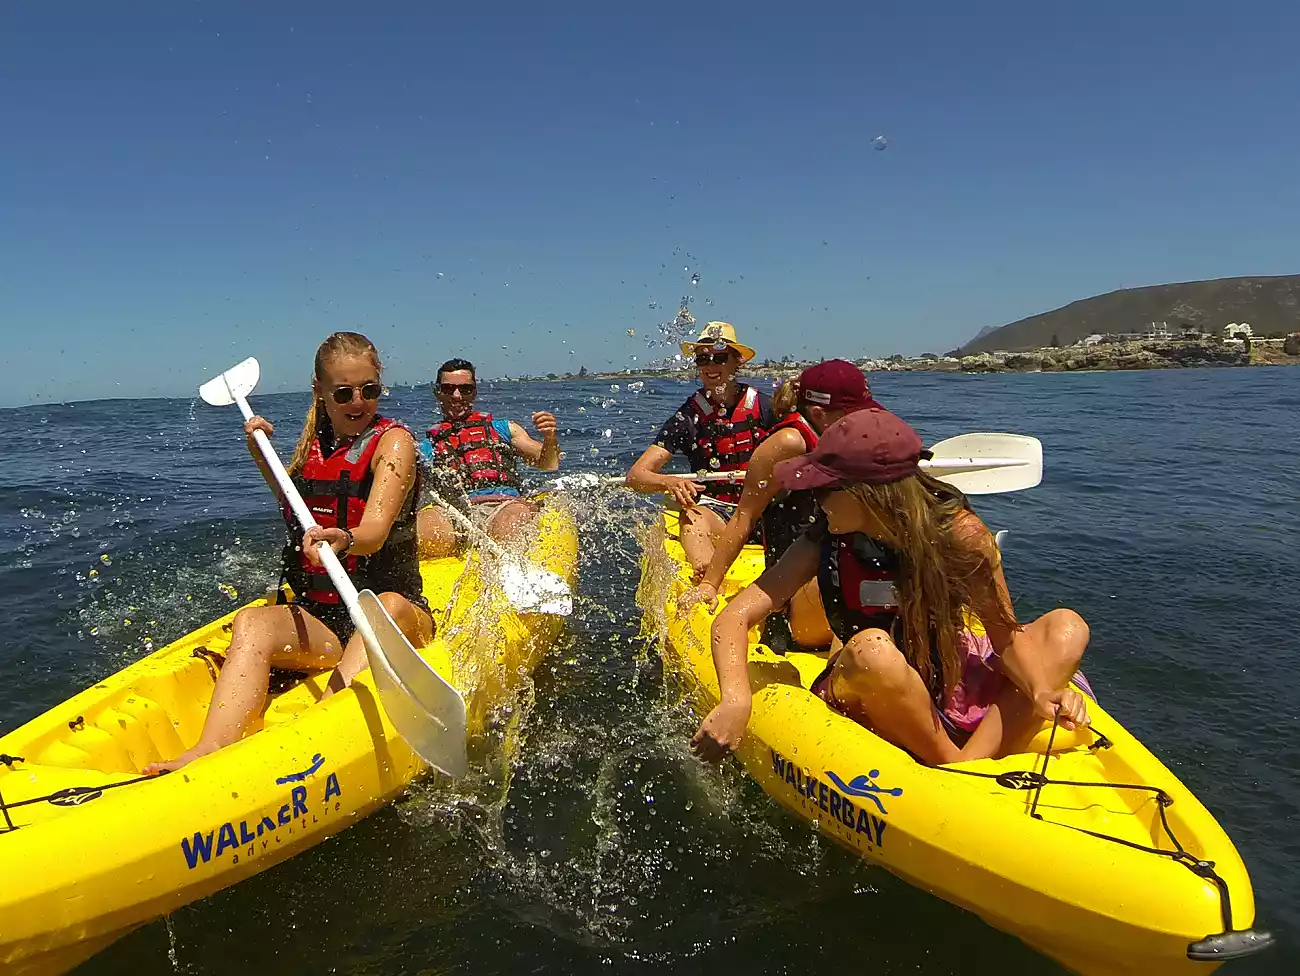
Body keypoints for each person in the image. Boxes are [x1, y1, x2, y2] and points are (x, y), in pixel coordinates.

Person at [689, 407, 1092, 767]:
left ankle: (968, 763)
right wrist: (736, 699)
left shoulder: (962, 536)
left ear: (869, 494)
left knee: (1068, 627)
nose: (816, 499)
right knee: (872, 649)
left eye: (824, 489)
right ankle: (955, 765)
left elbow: (1003, 636)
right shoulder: (823, 539)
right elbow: (733, 618)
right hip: (869, 683)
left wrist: (1040, 690)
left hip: (948, 673)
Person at [146, 332, 432, 774]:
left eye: (369, 390)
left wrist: (345, 539)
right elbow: (292, 503)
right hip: (329, 622)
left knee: (383, 608)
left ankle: (321, 738)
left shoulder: (394, 443)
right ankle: (209, 750)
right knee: (253, 623)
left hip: (392, 614)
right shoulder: (312, 445)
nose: (359, 402)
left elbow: (374, 529)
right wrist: (261, 453)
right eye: (344, 393)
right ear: (319, 390)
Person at [680, 360, 881, 649]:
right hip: (797, 598)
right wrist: (710, 585)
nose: (865, 422)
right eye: (854, 413)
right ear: (819, 413)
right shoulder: (788, 443)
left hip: (843, 576)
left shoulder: (849, 438)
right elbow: (745, 516)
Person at [626, 322, 777, 576]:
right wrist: (668, 482)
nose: (710, 366)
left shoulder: (766, 407)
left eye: (719, 358)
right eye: (702, 359)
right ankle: (703, 575)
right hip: (718, 512)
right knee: (693, 518)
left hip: (766, 510)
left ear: (737, 361)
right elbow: (636, 476)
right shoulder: (688, 417)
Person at [416, 358, 560, 555]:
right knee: (427, 533)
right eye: (448, 389)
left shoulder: (504, 429)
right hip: (452, 513)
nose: (457, 396)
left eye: (465, 389)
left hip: (503, 506)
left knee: (508, 526)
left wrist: (550, 437)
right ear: (437, 392)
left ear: (474, 392)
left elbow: (549, 464)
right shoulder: (426, 447)